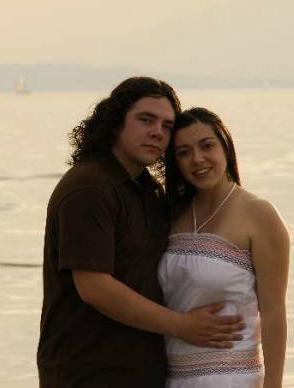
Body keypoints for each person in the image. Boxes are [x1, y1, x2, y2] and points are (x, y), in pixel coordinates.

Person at [37, 78, 245, 388]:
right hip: (87, 372)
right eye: (146, 120)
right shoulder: (89, 188)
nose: (158, 132)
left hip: (141, 371)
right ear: (115, 122)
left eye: (167, 125)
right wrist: (183, 326)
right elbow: (94, 286)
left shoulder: (147, 188)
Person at [160, 107, 290, 388]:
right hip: (171, 377)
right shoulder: (171, 214)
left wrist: (274, 384)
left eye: (207, 146)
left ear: (226, 147)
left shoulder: (259, 214)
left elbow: (273, 312)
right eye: (184, 152)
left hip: (230, 378)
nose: (197, 159)